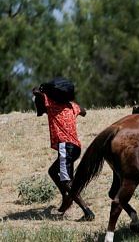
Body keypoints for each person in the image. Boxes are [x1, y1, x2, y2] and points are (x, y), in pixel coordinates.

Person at [32, 81, 94, 220]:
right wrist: (70, 100)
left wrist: (41, 90)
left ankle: (87, 211)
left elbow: (37, 92)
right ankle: (66, 197)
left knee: (66, 181)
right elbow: (84, 111)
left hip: (65, 147)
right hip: (76, 147)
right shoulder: (72, 106)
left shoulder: (52, 105)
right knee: (53, 171)